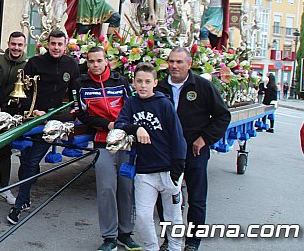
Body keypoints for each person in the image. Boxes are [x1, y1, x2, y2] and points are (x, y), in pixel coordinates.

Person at [156, 47, 230, 251]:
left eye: (179, 62)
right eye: (171, 61)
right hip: (167, 153)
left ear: (189, 64)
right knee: (166, 199)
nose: (174, 66)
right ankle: (169, 239)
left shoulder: (203, 87)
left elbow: (222, 116)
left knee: (196, 199)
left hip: (195, 151)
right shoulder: (159, 87)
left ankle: (193, 242)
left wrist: (204, 139)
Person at [7, 29, 80, 225]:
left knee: (31, 162)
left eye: (60, 44)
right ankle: (25, 195)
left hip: (55, 120)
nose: (56, 48)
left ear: (65, 46)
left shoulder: (71, 65)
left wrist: (72, 111)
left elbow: (75, 93)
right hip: (33, 118)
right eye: (53, 44)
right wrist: (35, 109)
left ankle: (20, 204)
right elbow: (23, 90)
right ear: (48, 44)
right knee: (27, 160)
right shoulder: (35, 63)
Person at [115, 62, 186, 251]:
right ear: (133, 83)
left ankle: (174, 247)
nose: (143, 86)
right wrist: (136, 127)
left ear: (155, 83)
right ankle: (152, 247)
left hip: (168, 169)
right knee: (144, 216)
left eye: (147, 81)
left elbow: (177, 135)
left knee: (173, 216)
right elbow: (120, 124)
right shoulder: (131, 103)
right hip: (144, 171)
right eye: (139, 81)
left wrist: (178, 167)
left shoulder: (164, 104)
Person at [74, 47, 139, 251]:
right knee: (106, 189)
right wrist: (106, 124)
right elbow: (82, 114)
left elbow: (131, 106)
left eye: (99, 61)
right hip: (103, 141)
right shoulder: (80, 84)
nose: (95, 65)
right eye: (91, 61)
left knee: (127, 188)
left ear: (106, 61)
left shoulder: (120, 81)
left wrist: (121, 125)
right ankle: (109, 236)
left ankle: (126, 233)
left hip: (125, 141)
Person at [0, 31, 28, 205]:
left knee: (11, 151)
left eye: (20, 45)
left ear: (24, 46)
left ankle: (7, 187)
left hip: (17, 113)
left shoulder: (29, 65)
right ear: (8, 43)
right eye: (13, 44)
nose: (16, 48)